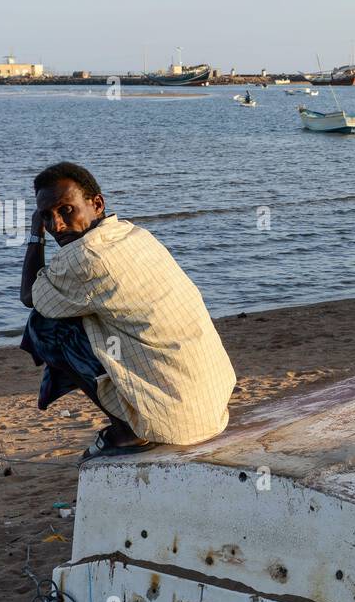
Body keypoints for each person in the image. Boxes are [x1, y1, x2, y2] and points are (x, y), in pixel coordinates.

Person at [19, 162, 236, 460]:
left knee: (43, 326)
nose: (56, 225)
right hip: (212, 404)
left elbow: (29, 295)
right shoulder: (135, 235)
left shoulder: (84, 256)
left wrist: (35, 234)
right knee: (74, 311)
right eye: (46, 217)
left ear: (97, 204)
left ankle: (127, 430)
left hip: (177, 422)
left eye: (66, 210)